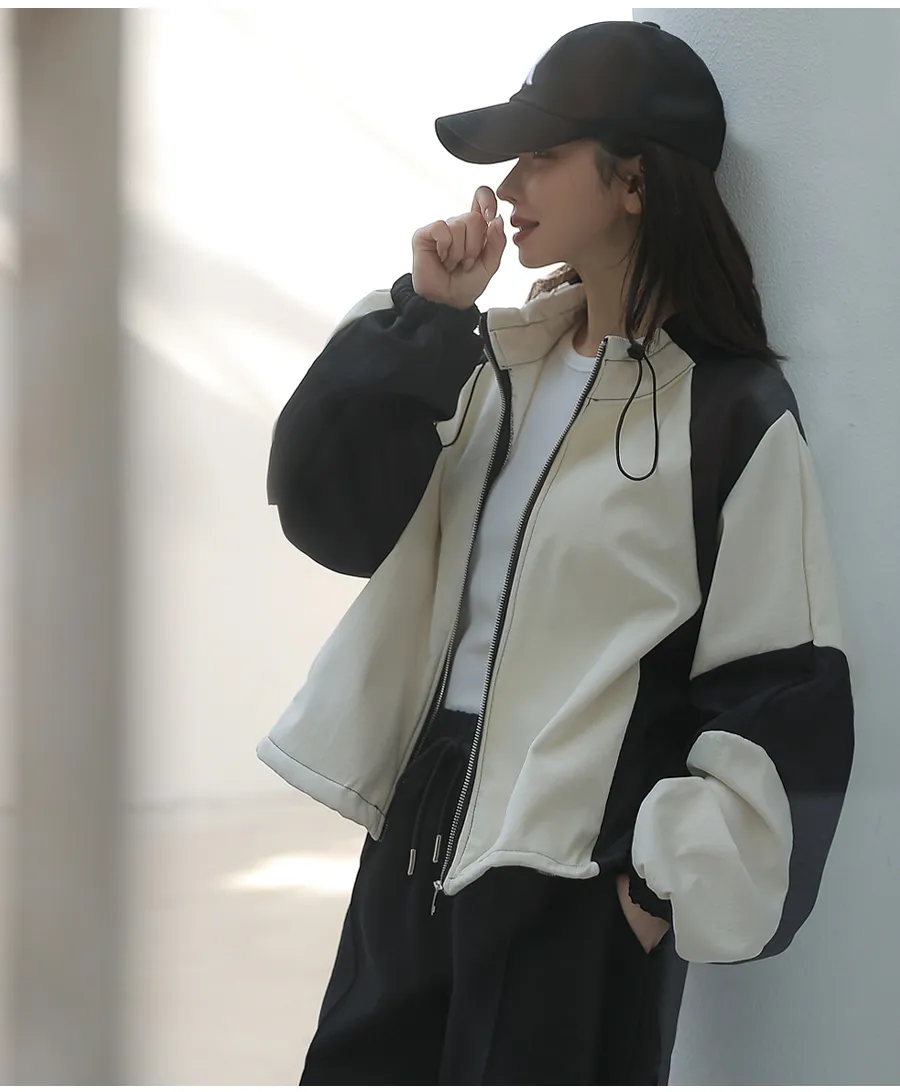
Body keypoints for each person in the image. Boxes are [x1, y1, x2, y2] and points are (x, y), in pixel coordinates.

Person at [258, 20, 855, 1086]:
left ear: (633, 183)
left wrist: (658, 890)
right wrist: (428, 318)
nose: (509, 185)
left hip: (578, 873)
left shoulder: (728, 409)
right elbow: (327, 512)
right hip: (419, 830)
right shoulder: (492, 363)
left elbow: (783, 674)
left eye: (543, 154)